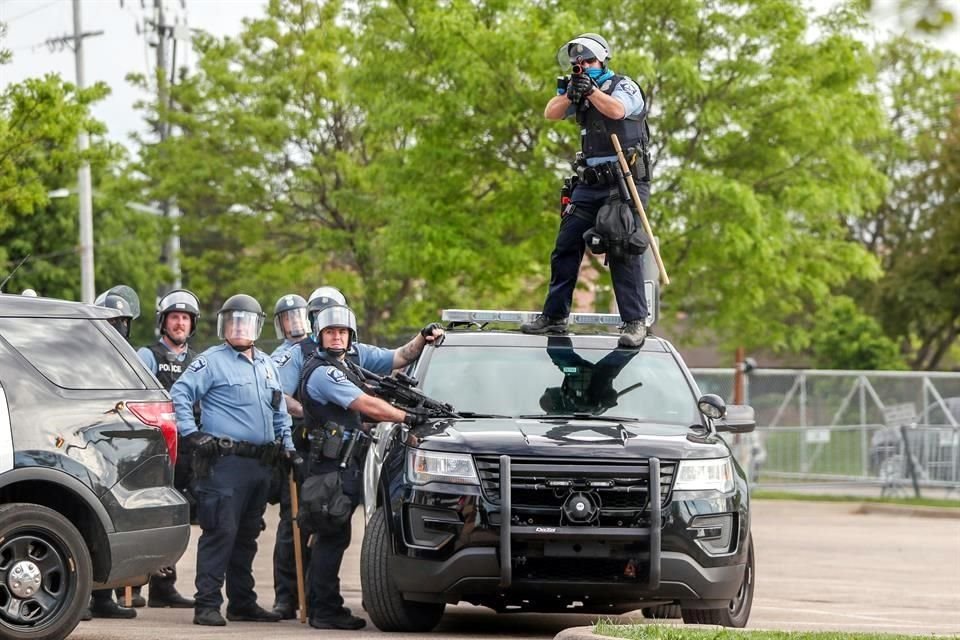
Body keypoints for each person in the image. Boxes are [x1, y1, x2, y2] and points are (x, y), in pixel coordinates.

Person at [298, 304, 443, 630]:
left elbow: (397, 358)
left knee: (333, 537)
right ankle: (325, 611)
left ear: (350, 336)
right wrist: (408, 417)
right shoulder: (324, 372)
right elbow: (365, 405)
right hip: (330, 471)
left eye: (342, 332)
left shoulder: (346, 363)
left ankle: (324, 604)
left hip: (341, 467)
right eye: (330, 332)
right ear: (319, 336)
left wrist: (422, 338)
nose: (337, 337)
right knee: (331, 537)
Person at [170, 294, 298, 626]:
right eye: (233, 321)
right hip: (223, 464)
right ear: (224, 325)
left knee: (247, 536)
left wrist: (287, 446)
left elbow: (279, 411)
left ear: (257, 326)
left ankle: (242, 602)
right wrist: (190, 433)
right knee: (220, 532)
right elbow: (180, 393)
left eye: (245, 321)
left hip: (260, 465)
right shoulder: (211, 362)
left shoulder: (268, 364)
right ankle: (207, 604)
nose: (239, 327)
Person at [521, 33, 651, 348]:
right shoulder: (575, 87)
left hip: (623, 182)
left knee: (621, 246)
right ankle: (554, 316)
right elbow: (551, 112)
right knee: (565, 245)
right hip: (589, 183)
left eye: (589, 60)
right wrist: (572, 93)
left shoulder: (622, 85)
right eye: (579, 62)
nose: (583, 66)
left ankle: (634, 322)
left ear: (602, 59)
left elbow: (618, 111)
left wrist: (592, 91)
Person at [129, 288, 201, 609]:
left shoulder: (199, 362)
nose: (180, 323)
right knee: (147, 516)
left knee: (175, 517)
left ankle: (163, 586)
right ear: (164, 322)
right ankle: (130, 585)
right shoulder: (148, 355)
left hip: (186, 449)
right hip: (155, 449)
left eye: (185, 318)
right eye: (175, 317)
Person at [87, 286, 142, 619]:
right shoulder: (84, 356)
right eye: (110, 320)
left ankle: (105, 598)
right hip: (88, 447)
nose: (117, 327)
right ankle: (80, 598)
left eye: (121, 321)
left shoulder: (130, 359)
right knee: (87, 521)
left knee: (113, 522)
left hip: (121, 450)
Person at [267, 292, 312, 620]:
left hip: (328, 447)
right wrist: (307, 413)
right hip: (295, 443)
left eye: (299, 315)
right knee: (292, 521)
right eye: (288, 318)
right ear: (280, 323)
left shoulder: (322, 347)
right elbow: (277, 396)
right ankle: (286, 596)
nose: (294, 323)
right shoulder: (281, 356)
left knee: (326, 522)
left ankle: (319, 594)